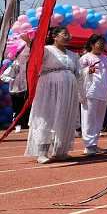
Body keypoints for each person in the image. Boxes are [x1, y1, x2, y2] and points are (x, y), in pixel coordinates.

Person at [24, 27, 81, 164]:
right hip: (48, 89)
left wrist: (88, 72)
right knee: (47, 117)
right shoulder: (47, 50)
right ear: (54, 36)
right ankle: (41, 153)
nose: (68, 37)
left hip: (68, 91)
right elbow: (33, 57)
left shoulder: (73, 55)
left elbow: (78, 73)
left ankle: (59, 152)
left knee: (63, 118)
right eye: (64, 34)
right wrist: (30, 45)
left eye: (69, 35)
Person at [78, 35, 107, 156]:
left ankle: (95, 143)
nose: (102, 46)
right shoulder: (85, 58)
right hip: (90, 92)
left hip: (103, 91)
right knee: (89, 118)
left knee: (99, 120)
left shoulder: (106, 59)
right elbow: (78, 74)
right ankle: (88, 146)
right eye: (99, 43)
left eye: (103, 43)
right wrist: (88, 70)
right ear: (92, 44)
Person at [6, 35, 31, 132]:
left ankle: (27, 123)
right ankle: (17, 125)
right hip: (16, 90)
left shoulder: (29, 64)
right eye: (19, 53)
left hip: (27, 90)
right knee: (17, 108)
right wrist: (14, 80)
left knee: (28, 107)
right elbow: (3, 76)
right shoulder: (14, 65)